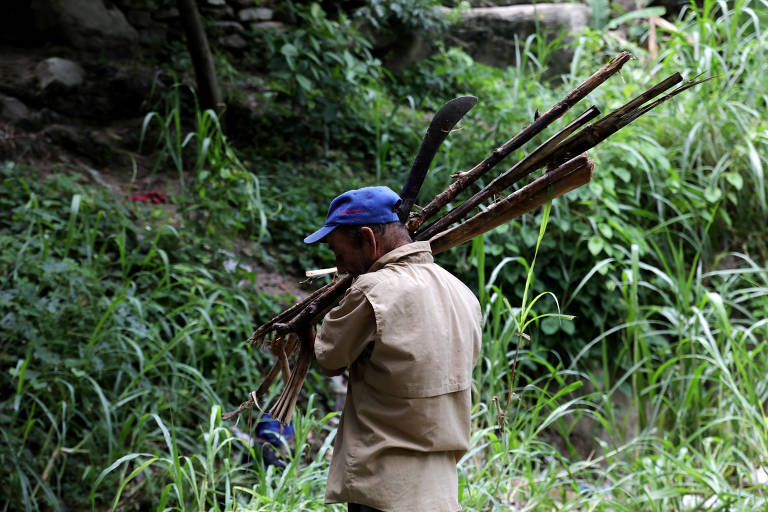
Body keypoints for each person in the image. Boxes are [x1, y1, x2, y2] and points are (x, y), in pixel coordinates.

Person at [303, 186, 482, 512]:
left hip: (382, 489)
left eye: (338, 253)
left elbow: (328, 360)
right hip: (441, 492)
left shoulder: (374, 290)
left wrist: (308, 331)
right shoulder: (462, 293)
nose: (340, 267)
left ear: (368, 239)